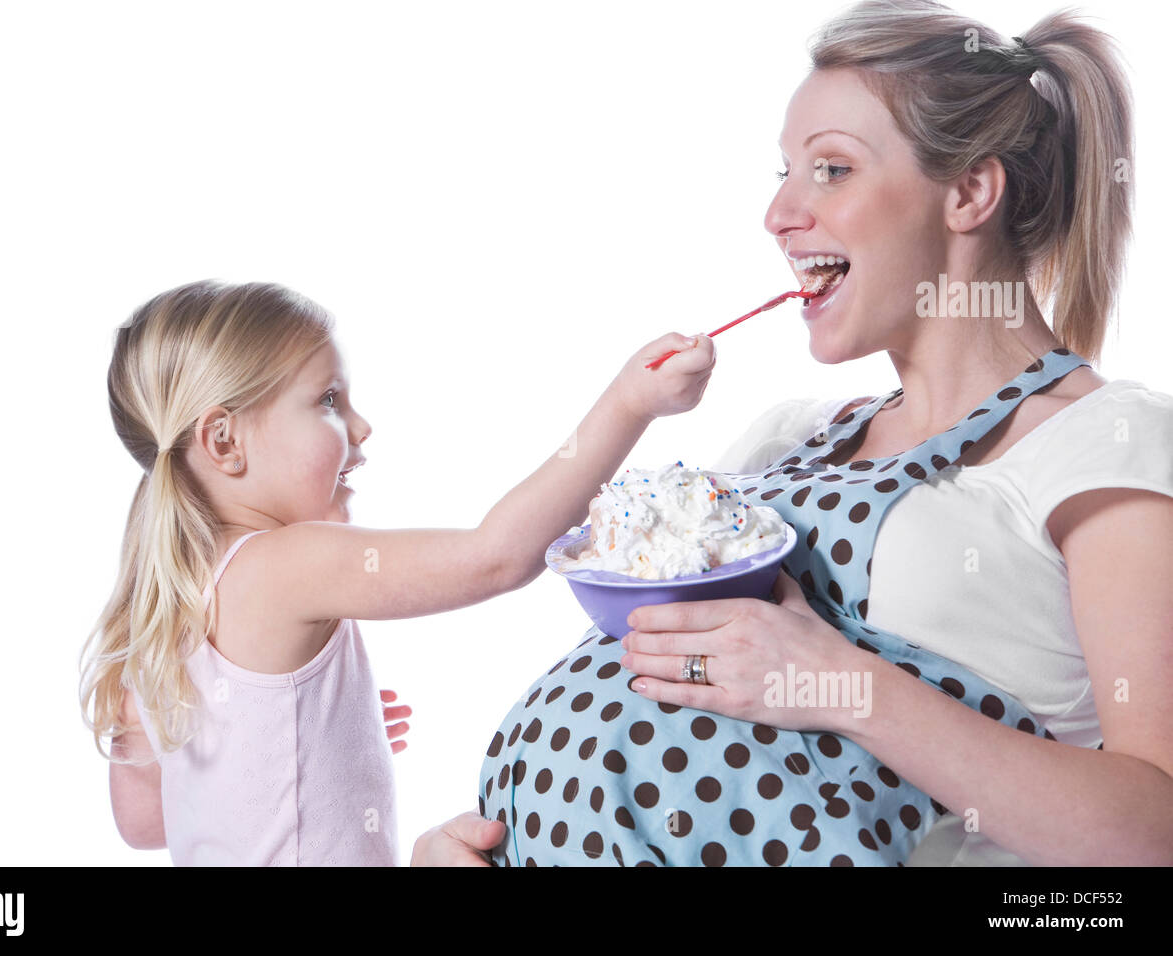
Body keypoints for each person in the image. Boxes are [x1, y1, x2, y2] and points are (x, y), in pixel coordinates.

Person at [414, 0, 1173, 866]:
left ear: (969, 192)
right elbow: (636, 701)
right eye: (783, 172)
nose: (778, 213)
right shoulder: (785, 441)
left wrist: (841, 686)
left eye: (832, 170)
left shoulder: (1106, 443)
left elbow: (1155, 831)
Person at [79, 279, 715, 865]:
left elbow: (142, 822)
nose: (361, 426)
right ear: (223, 442)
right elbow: (494, 556)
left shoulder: (168, 602)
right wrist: (631, 403)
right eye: (328, 400)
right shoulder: (285, 563)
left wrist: (280, 743)